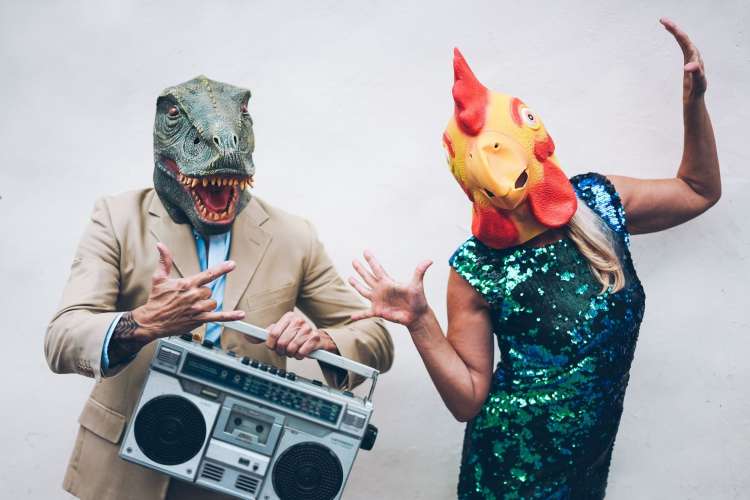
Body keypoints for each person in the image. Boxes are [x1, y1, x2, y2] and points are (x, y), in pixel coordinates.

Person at [348, 19, 719, 499]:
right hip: (507, 475)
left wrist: (694, 103)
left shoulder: (601, 203)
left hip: (585, 473)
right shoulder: (477, 268)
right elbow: (469, 399)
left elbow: (698, 189)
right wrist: (421, 322)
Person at [44, 75, 394, 500]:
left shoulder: (293, 235)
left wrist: (324, 341)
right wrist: (141, 323)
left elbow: (375, 337)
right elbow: (62, 339)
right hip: (130, 466)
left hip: (245, 469)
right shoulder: (117, 218)